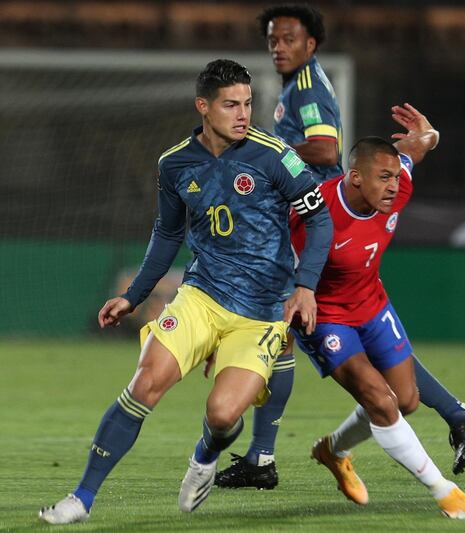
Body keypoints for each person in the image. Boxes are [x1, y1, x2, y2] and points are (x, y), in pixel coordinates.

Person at [38, 59, 333, 524]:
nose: (243, 114)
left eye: (248, 103)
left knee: (221, 415)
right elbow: (167, 234)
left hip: (261, 311)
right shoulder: (174, 164)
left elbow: (319, 220)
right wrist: (134, 296)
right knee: (144, 384)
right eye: (231, 104)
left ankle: (205, 456)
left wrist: (306, 288)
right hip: (202, 295)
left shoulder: (275, 156)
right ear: (203, 107)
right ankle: (81, 498)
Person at [215, 4, 465, 491]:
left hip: (315, 233)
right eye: (273, 40)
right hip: (325, 233)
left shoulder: (307, 89)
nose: (278, 47)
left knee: (277, 332)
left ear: (311, 45)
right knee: (326, 344)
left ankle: (262, 457)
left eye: (288, 39)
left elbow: (323, 149)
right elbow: (411, 153)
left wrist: (260, 155)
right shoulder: (300, 87)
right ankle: (454, 414)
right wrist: (428, 136)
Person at [295, 103, 465, 519]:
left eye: (395, 177)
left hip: (372, 303)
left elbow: (417, 149)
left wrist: (430, 135)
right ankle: (444, 491)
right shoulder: (314, 214)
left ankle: (333, 450)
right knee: (381, 401)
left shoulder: (396, 186)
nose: (392, 187)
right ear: (355, 177)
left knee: (405, 400)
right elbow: (277, 267)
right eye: (383, 178)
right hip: (325, 315)